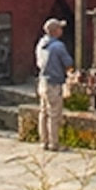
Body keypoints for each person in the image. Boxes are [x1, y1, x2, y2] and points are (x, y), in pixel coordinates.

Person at [35, 17, 73, 151]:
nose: (61, 30)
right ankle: (54, 143)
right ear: (55, 31)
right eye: (60, 28)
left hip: (42, 81)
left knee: (43, 112)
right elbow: (68, 63)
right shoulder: (58, 46)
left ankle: (43, 141)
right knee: (54, 114)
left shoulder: (40, 44)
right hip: (54, 83)